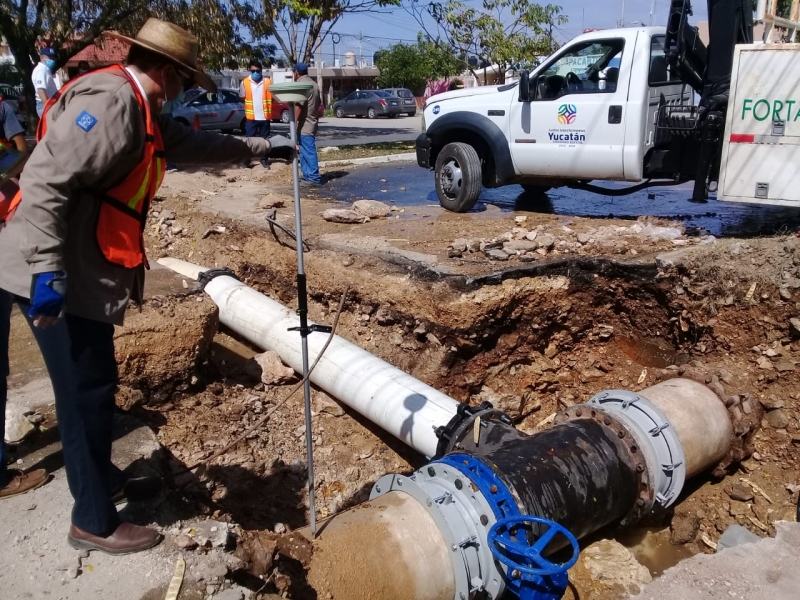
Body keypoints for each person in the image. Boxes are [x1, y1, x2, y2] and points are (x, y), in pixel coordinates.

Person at [0, 18, 292, 553]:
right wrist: (46, 271)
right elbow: (44, 179)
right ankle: (92, 521)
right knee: (85, 389)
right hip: (45, 265)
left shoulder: (143, 109)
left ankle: (99, 481)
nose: (185, 92)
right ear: (166, 71)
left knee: (91, 381)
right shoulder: (113, 102)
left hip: (61, 260)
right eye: (185, 81)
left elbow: (187, 145)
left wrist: (258, 150)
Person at [238, 59, 272, 169]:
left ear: (261, 71)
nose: (255, 73)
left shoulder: (267, 82)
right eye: (253, 71)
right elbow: (242, 97)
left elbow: (273, 96)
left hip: (264, 116)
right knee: (249, 140)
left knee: (265, 140)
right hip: (251, 117)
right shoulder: (245, 82)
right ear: (250, 71)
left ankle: (264, 160)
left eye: (257, 70)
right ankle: (246, 160)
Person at [293, 62, 322, 187]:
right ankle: (307, 175)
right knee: (304, 150)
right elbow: (319, 104)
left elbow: (299, 105)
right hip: (312, 121)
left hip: (305, 124)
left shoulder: (301, 84)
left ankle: (314, 178)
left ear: (296, 72)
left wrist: (293, 122)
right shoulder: (314, 84)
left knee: (308, 150)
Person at [32, 47, 58, 117]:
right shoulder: (41, 70)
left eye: (53, 57)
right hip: (44, 104)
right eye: (49, 57)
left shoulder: (46, 69)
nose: (52, 59)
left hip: (49, 102)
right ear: (42, 58)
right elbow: (40, 90)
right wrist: (47, 106)